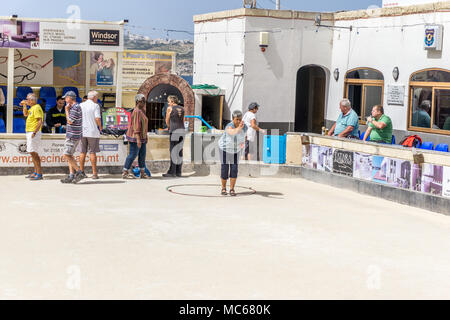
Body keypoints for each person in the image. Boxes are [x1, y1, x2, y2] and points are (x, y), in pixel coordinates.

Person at [218, 110, 248, 196]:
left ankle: (232, 189)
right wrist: (239, 128)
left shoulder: (245, 127)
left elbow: (244, 136)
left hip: (236, 150)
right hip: (224, 148)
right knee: (225, 168)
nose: (238, 121)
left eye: (240, 119)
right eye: (236, 119)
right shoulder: (229, 125)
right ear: (233, 119)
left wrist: (242, 144)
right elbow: (232, 132)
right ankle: (223, 188)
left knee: (234, 169)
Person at [122, 94, 149, 179]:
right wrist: (138, 139)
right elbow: (136, 125)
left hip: (142, 137)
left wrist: (146, 136)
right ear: (138, 101)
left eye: (145, 101)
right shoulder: (137, 111)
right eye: (142, 101)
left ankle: (142, 173)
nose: (144, 103)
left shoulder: (141, 111)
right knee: (133, 154)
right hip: (136, 137)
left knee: (142, 155)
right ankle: (125, 172)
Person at [60, 91, 85, 184]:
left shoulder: (75, 108)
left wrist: (66, 110)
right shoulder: (76, 107)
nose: (65, 99)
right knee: (70, 155)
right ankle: (71, 175)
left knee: (66, 155)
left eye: (66, 97)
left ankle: (79, 172)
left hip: (72, 135)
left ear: (70, 98)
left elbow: (70, 121)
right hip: (74, 134)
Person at [79, 91, 102, 180]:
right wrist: (100, 127)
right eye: (97, 97)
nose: (97, 99)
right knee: (92, 152)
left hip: (82, 131)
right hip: (92, 132)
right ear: (94, 97)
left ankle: (81, 172)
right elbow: (97, 118)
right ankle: (94, 173)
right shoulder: (95, 106)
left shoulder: (81, 105)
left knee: (82, 152)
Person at [21, 93, 44, 181]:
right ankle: (35, 172)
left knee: (34, 153)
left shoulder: (37, 107)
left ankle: (39, 173)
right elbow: (25, 114)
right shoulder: (32, 108)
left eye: (27, 100)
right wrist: (24, 105)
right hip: (30, 132)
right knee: (32, 153)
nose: (26, 101)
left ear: (32, 100)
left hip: (33, 132)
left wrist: (34, 132)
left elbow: (39, 121)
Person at [163, 95, 185, 178]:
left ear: (172, 101)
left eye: (169, 102)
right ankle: (179, 172)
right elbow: (183, 121)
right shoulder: (183, 109)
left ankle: (172, 172)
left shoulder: (170, 108)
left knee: (173, 151)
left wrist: (169, 127)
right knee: (179, 152)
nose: (168, 104)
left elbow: (167, 120)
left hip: (174, 131)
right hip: (182, 131)